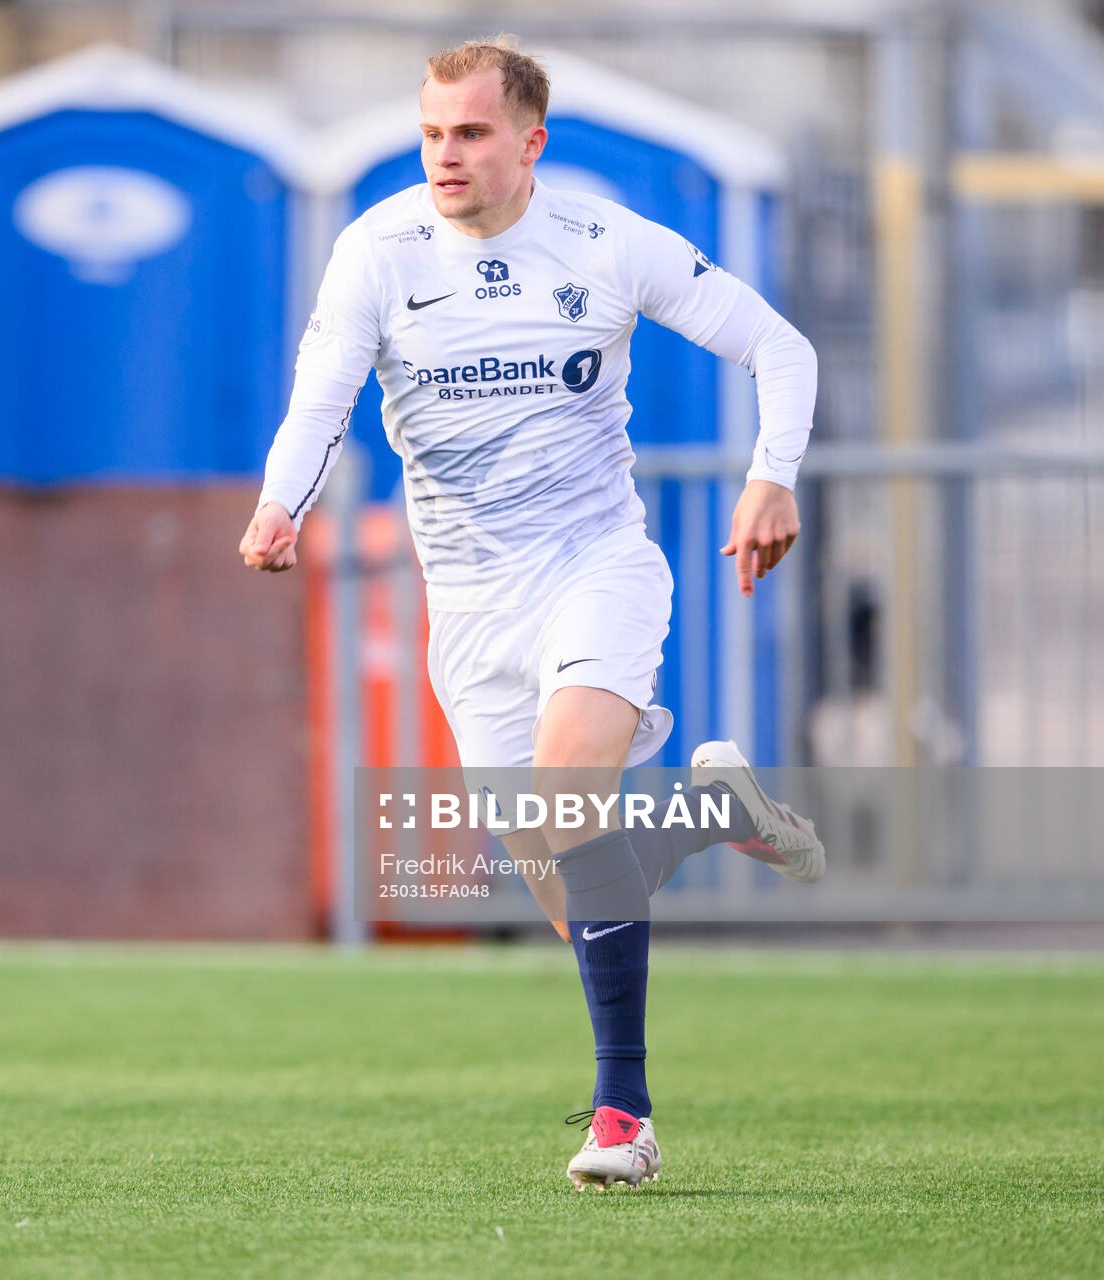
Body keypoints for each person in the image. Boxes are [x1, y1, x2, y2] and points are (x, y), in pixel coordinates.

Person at [238, 37, 826, 1191]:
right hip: (467, 608)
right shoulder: (378, 249)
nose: (445, 155)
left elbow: (780, 346)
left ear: (529, 142)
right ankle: (713, 810)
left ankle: (626, 1119)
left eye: (470, 132)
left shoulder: (605, 245)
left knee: (566, 806)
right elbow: (322, 395)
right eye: (431, 133)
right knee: (569, 892)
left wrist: (773, 473)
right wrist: (278, 506)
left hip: (594, 566)